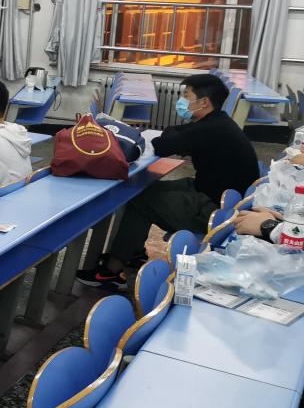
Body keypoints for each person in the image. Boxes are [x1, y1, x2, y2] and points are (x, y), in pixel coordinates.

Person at [78, 74, 259, 291]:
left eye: (186, 96)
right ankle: (132, 252)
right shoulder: (218, 122)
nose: (181, 101)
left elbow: (162, 144)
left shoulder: (209, 129)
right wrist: (175, 132)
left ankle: (111, 272)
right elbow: (176, 133)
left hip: (214, 211)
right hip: (216, 195)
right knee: (141, 190)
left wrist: (174, 133)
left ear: (203, 102)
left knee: (140, 200)